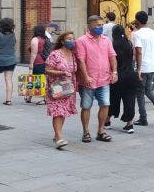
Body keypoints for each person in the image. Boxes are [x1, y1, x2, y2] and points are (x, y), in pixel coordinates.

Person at [75, 15, 118, 143]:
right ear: (89, 26)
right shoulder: (82, 41)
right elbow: (81, 60)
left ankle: (101, 131)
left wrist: (114, 72)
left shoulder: (106, 40)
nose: (100, 27)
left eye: (101, 25)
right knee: (86, 106)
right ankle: (86, 132)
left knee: (105, 104)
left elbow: (112, 57)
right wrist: (85, 76)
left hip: (104, 79)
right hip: (89, 80)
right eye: (97, 25)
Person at [45, 31, 78, 149]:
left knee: (63, 112)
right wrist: (62, 72)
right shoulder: (55, 54)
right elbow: (48, 69)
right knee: (58, 112)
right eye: (69, 39)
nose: (72, 41)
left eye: (73, 38)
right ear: (62, 41)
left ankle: (57, 134)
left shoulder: (73, 54)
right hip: (56, 87)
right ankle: (59, 137)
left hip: (68, 88)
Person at [133, 11, 154, 126]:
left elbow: (138, 51)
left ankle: (143, 117)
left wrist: (138, 69)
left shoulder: (137, 34)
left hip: (143, 67)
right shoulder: (153, 33)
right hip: (152, 66)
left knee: (140, 93)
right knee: (147, 90)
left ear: (137, 21)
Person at [107, 25, 137, 134]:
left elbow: (110, 61)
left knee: (114, 99)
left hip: (118, 76)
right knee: (130, 100)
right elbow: (132, 57)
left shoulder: (112, 45)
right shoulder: (129, 44)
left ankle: (107, 121)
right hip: (130, 75)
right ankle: (130, 124)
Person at [27, 24, 50, 104]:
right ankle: (29, 97)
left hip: (38, 61)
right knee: (38, 79)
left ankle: (45, 98)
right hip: (44, 61)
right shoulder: (45, 39)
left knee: (38, 80)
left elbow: (34, 53)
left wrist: (31, 64)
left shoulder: (35, 39)